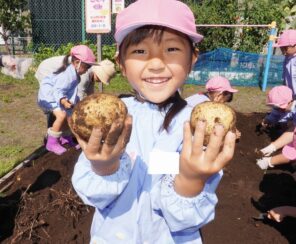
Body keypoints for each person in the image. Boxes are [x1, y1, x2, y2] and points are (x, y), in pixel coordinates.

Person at [71, 0, 236, 243]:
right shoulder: (108, 119)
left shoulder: (199, 126)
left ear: (192, 59)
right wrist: (104, 168)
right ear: (121, 64)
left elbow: (188, 219)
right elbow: (95, 197)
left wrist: (191, 180)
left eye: (171, 50)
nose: (157, 64)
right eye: (140, 51)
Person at [38, 45, 97, 155]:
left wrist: (76, 103)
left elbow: (72, 91)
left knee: (70, 115)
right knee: (61, 115)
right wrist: (64, 101)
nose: (87, 70)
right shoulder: (67, 75)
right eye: (86, 67)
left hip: (58, 96)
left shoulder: (75, 75)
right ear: (77, 62)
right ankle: (51, 143)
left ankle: (65, 137)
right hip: (48, 95)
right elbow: (58, 90)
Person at [35, 56, 116, 128]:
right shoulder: (84, 74)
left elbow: (90, 96)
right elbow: (79, 97)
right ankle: (52, 132)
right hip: (48, 70)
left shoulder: (88, 71)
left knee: (66, 105)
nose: (100, 81)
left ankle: (62, 131)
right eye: (101, 79)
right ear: (98, 73)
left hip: (61, 76)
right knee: (55, 104)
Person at [273, 29, 296, 98]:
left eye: (285, 49)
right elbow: (286, 76)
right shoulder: (287, 58)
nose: (283, 52)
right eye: (281, 49)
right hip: (291, 96)